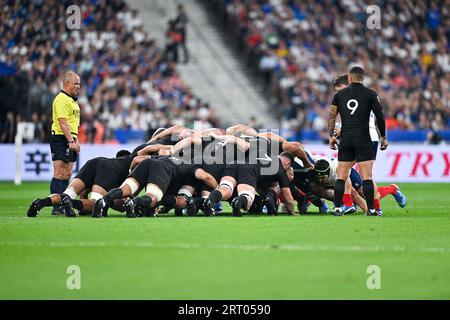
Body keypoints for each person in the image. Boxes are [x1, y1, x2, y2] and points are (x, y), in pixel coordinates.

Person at [328, 66, 388, 216]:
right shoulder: (370, 94)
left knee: (341, 175)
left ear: (349, 78)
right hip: (363, 138)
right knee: (366, 176)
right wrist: (383, 137)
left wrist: (331, 136)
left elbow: (331, 116)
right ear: (363, 78)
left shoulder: (340, 95)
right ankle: (372, 209)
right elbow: (379, 116)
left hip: (346, 138)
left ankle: (337, 208)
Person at [49, 71, 81, 215]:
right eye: (76, 83)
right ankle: (55, 206)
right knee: (59, 172)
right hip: (61, 138)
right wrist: (70, 140)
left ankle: (63, 203)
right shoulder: (61, 99)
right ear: (67, 83)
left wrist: (76, 140)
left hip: (70, 138)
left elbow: (74, 124)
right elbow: (62, 122)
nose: (78, 86)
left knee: (68, 173)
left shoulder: (73, 101)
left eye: (79, 83)